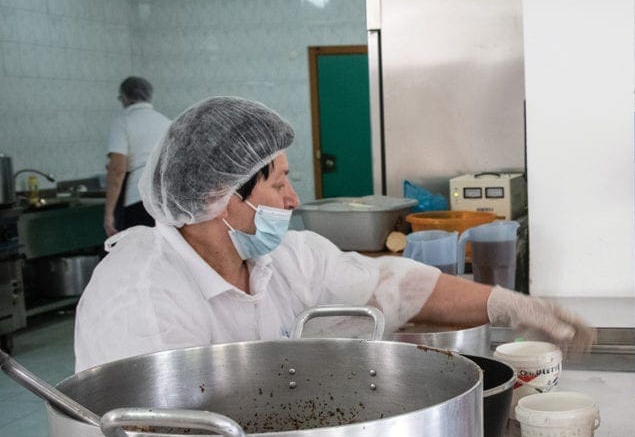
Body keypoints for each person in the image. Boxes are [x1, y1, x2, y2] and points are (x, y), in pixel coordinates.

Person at [75, 96, 593, 372]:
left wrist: (515, 307)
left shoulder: (282, 259)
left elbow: (394, 285)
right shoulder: (142, 296)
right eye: (279, 183)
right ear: (223, 199)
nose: (294, 200)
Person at [104, 77, 171, 237]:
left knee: (140, 254)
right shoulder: (166, 122)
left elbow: (117, 170)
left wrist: (108, 215)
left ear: (125, 97)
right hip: (167, 199)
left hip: (139, 200)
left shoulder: (123, 122)